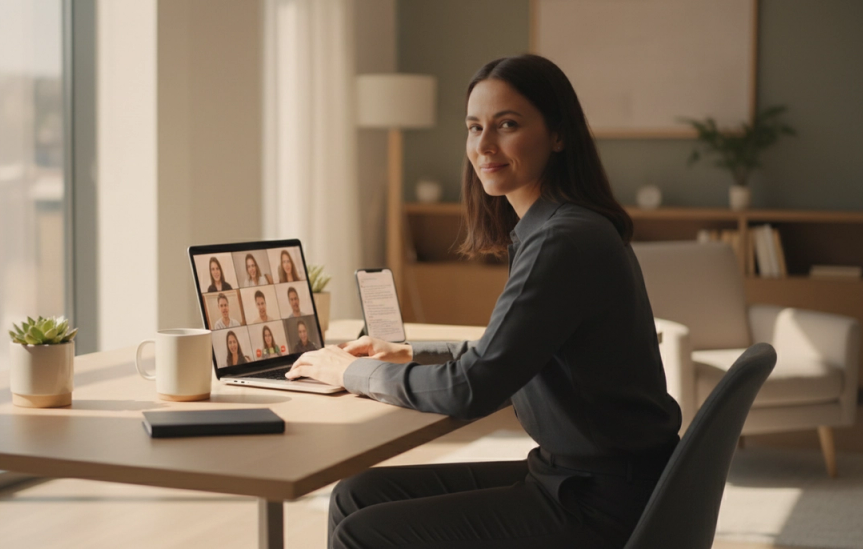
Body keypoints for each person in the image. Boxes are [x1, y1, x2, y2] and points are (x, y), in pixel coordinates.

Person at [286, 54, 682, 549]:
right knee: (356, 495)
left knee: (365, 533)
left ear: (558, 135)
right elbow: (507, 354)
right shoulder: (554, 226)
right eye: (475, 127)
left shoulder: (561, 239)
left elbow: (471, 388)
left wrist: (349, 372)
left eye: (507, 124)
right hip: (583, 477)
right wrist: (407, 353)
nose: (484, 145)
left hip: (601, 501)